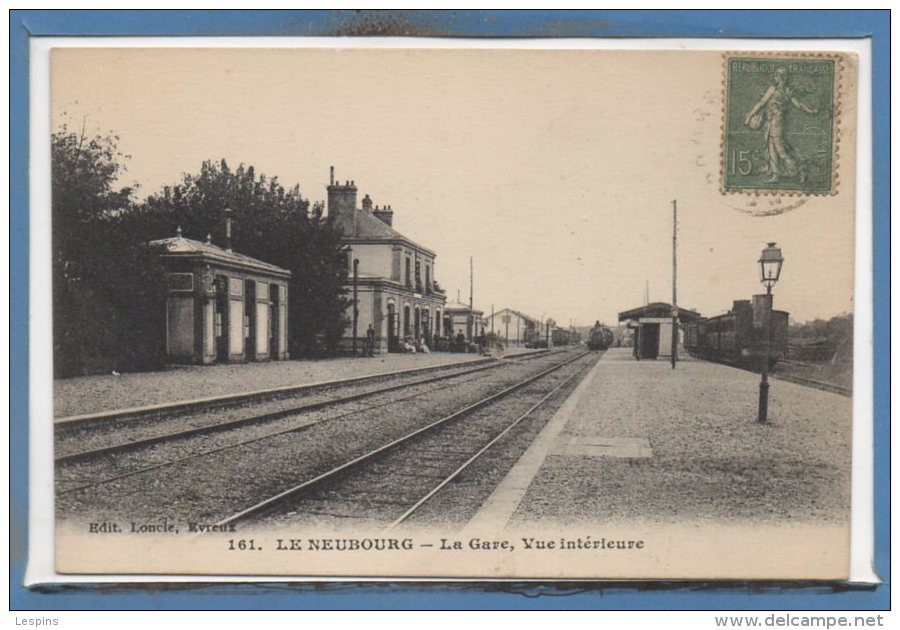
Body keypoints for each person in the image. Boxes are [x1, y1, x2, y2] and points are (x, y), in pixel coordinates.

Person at [743, 66, 819, 184]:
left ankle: (801, 170)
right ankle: (775, 174)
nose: (775, 77)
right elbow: (762, 103)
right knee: (772, 149)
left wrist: (811, 111)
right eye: (775, 75)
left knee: (781, 151)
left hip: (777, 123)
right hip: (771, 122)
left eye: (777, 76)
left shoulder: (781, 91)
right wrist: (750, 116)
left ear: (782, 78)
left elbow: (798, 105)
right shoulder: (779, 90)